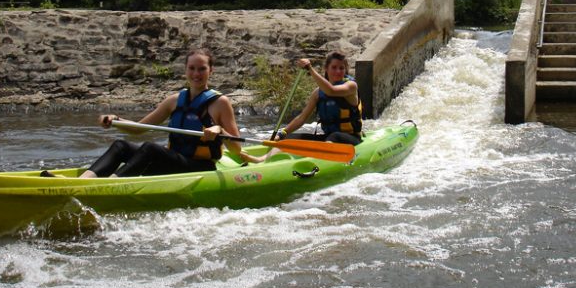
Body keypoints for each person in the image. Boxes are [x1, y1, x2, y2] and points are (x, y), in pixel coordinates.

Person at [70, 48, 251, 178]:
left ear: (211, 71)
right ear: (185, 70)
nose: (197, 73)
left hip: (200, 167)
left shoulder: (221, 103)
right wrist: (115, 120)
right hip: (173, 163)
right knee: (121, 146)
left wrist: (219, 130)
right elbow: (139, 128)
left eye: (202, 68)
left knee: (150, 148)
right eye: (192, 68)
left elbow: (236, 150)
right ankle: (84, 181)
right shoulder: (173, 101)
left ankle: (110, 184)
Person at [274, 50, 363, 146]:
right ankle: (263, 159)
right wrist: (283, 132)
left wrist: (310, 69)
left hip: (351, 139)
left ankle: (324, 157)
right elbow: (302, 118)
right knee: (288, 138)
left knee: (334, 136)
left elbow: (331, 91)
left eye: (341, 68)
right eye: (334, 67)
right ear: (326, 68)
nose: (338, 71)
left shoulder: (351, 86)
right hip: (328, 138)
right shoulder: (317, 93)